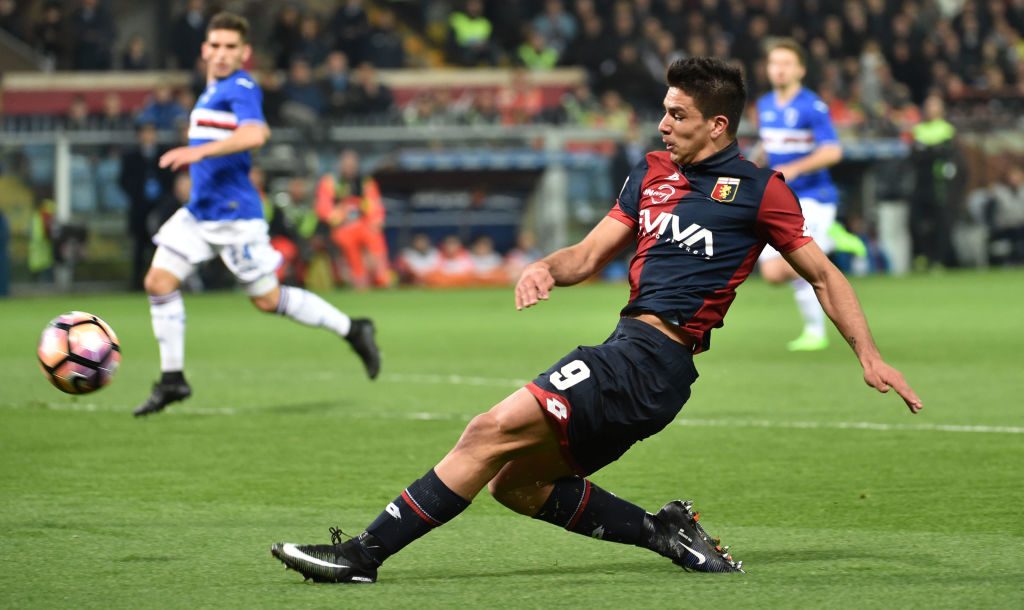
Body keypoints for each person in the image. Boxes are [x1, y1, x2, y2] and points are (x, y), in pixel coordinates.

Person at [270, 56, 922, 583]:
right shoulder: (651, 175)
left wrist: (868, 354)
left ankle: (362, 555)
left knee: (487, 430)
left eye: (678, 114)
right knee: (515, 485)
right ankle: (663, 531)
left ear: (718, 125)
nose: (663, 124)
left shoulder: (760, 189)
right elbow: (587, 255)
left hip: (650, 362)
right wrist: (547, 268)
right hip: (632, 358)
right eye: (664, 110)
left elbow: (824, 275)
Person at [136, 12, 380, 417]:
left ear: (244, 53)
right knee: (158, 280)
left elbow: (257, 133)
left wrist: (198, 151)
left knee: (267, 299)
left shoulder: (241, 86)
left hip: (234, 216)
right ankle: (172, 380)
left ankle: (354, 329)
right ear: (204, 49)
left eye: (231, 47)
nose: (221, 53)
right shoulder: (211, 89)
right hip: (201, 211)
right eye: (215, 45)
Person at [754, 38, 865, 352]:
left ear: (800, 69)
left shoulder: (812, 105)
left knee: (789, 266)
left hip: (814, 197)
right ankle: (815, 332)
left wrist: (796, 168)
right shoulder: (764, 105)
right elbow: (771, 145)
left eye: (787, 63)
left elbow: (833, 150)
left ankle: (829, 237)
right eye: (774, 63)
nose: (779, 69)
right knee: (777, 274)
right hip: (780, 199)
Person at [314, 149, 391, 289]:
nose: (349, 167)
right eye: (346, 163)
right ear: (339, 164)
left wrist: (376, 219)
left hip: (363, 224)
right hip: (341, 227)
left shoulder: (365, 182)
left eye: (352, 164)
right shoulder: (329, 182)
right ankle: (359, 280)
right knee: (348, 243)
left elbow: (375, 204)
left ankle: (382, 276)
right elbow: (323, 208)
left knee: (374, 235)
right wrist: (340, 214)